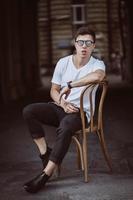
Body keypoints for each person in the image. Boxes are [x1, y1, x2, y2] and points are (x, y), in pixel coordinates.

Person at [23, 26, 106, 193]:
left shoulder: (98, 64)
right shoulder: (63, 62)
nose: (84, 46)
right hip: (61, 107)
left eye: (88, 43)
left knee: (66, 126)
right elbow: (54, 90)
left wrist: (70, 85)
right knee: (29, 111)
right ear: (74, 44)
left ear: (93, 46)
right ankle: (45, 153)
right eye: (80, 42)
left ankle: (45, 175)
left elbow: (98, 77)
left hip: (81, 113)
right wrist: (62, 103)